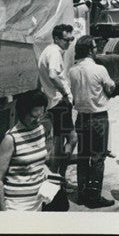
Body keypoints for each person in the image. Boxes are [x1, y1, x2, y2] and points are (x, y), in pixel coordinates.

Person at [68, 36, 117, 207]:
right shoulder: (99, 69)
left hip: (81, 117)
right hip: (98, 117)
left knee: (83, 156)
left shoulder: (72, 71)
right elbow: (110, 88)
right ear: (90, 50)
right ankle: (94, 196)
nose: (96, 49)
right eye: (95, 47)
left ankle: (82, 193)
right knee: (97, 157)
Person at [0, 89, 50, 211]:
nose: (38, 120)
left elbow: (39, 163)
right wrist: (4, 213)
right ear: (23, 113)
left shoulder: (40, 129)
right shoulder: (10, 139)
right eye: (34, 117)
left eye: (42, 115)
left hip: (38, 202)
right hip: (16, 206)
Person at [36, 23, 76, 171]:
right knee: (72, 139)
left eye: (71, 39)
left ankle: (56, 178)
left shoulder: (47, 51)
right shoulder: (54, 52)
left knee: (58, 141)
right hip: (59, 101)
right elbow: (53, 75)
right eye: (66, 40)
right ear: (57, 39)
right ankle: (58, 175)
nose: (69, 42)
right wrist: (65, 93)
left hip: (53, 102)